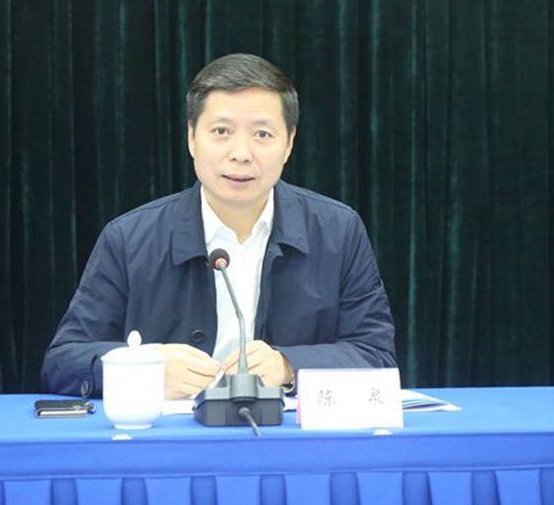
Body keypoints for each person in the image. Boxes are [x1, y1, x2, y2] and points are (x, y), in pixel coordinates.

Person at [41, 53, 396, 399]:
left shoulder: (337, 231)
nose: (241, 153)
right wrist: (144, 368)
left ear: (289, 143)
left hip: (286, 434)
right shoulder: (130, 238)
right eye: (221, 131)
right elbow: (63, 361)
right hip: (172, 436)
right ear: (191, 138)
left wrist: (289, 366)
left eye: (262, 134)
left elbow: (376, 355)